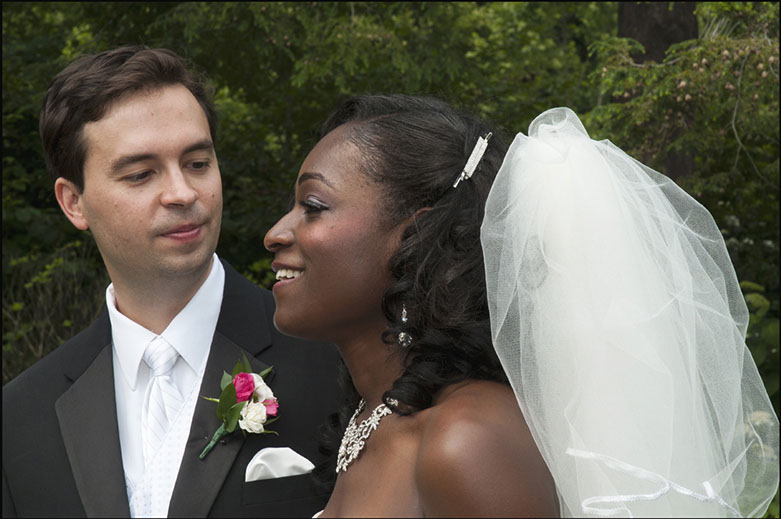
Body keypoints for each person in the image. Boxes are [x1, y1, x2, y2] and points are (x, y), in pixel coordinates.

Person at [264, 94, 779, 517]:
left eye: (312, 206)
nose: (274, 234)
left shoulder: (466, 440)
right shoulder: (370, 419)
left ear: (414, 236)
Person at [2, 45, 342, 518]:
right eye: (141, 174)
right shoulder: (19, 418)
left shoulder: (338, 364)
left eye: (198, 163)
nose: (183, 193)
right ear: (74, 202)